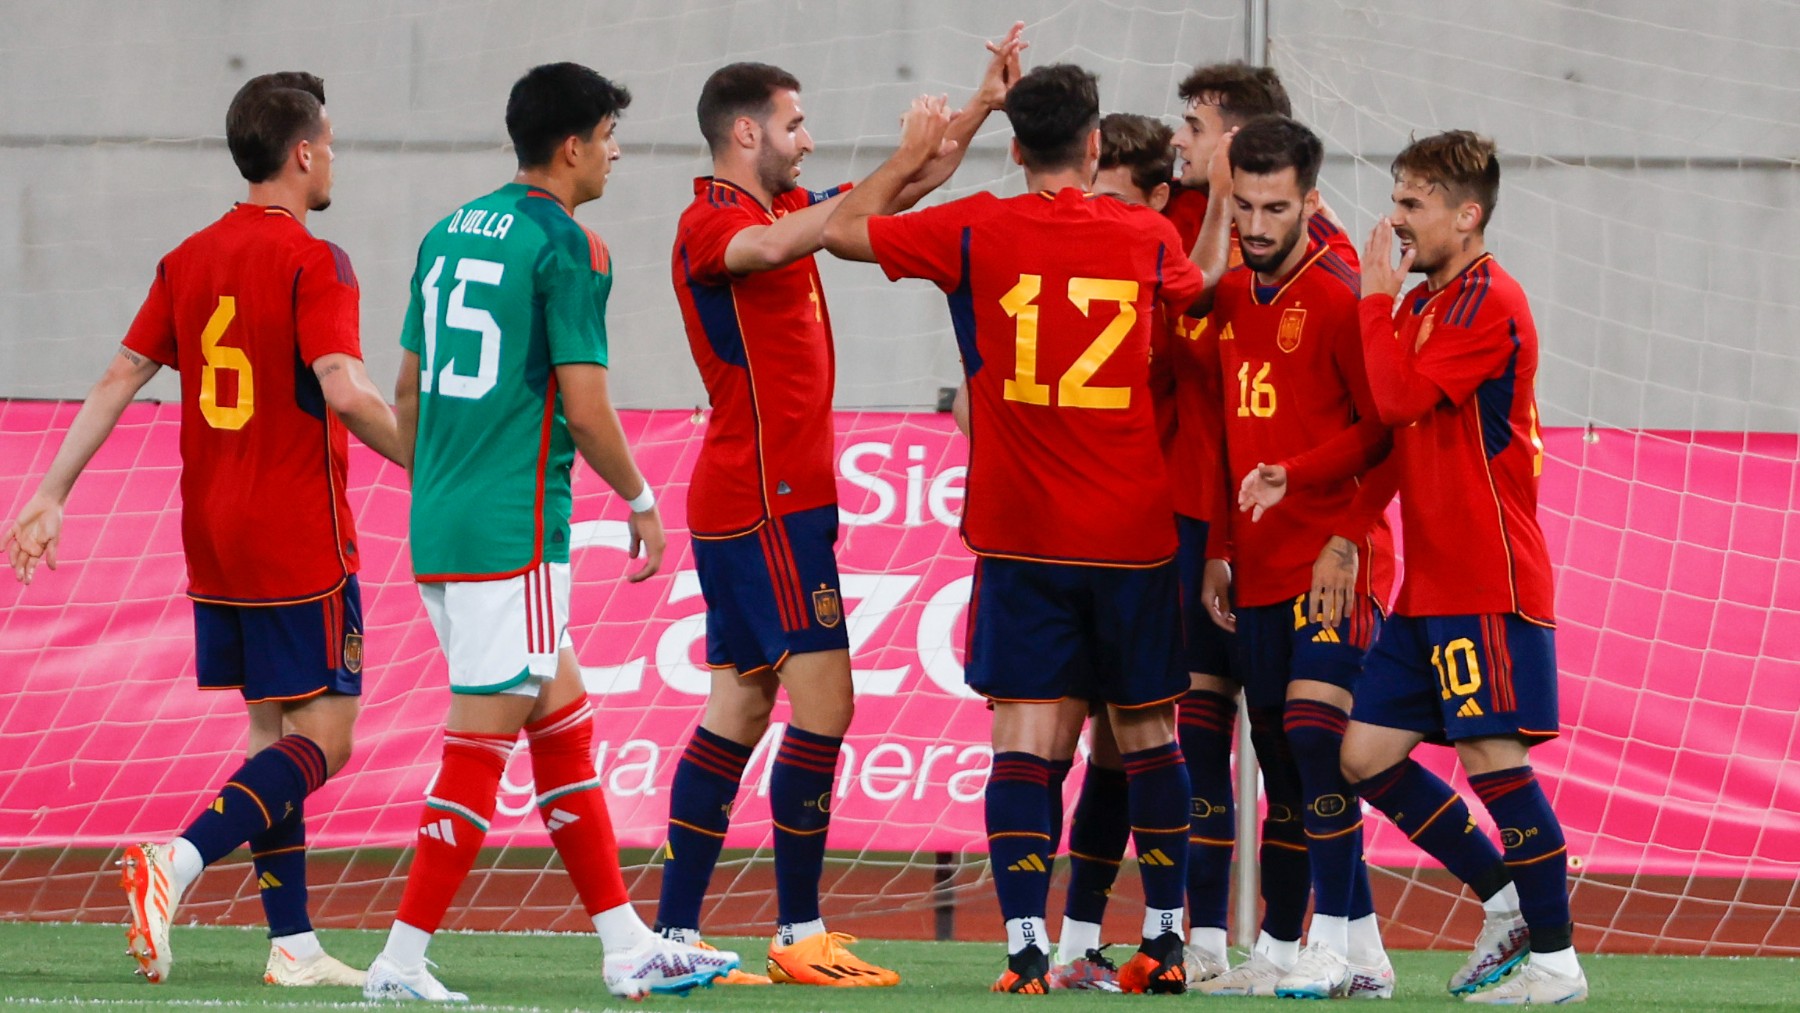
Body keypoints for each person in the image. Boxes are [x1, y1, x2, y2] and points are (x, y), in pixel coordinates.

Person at [824, 62, 1230, 995]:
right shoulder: (1139, 232)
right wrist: (1207, 201)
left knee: (1023, 740)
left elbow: (843, 229)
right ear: (1094, 147)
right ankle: (1167, 939)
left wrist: (931, 143)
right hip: (1132, 531)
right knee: (1148, 733)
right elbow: (1200, 281)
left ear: (1015, 148)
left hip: (1021, 535)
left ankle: (1024, 951)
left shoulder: (972, 225)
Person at [4, 72, 405, 988]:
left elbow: (119, 374)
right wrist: (426, 462)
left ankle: (293, 944)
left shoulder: (188, 256)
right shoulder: (316, 259)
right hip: (297, 534)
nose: (333, 157)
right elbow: (343, 384)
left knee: (274, 740)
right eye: (330, 143)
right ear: (303, 153)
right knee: (328, 739)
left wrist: (51, 490)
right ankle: (175, 862)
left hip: (213, 540)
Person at [654, 25, 1025, 989]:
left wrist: (978, 107)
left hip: (770, 497)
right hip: (766, 500)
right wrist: (903, 156)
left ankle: (673, 937)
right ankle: (800, 929)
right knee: (827, 703)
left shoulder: (770, 199)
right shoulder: (712, 223)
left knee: (738, 703)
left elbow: (893, 196)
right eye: (796, 123)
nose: (808, 141)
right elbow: (786, 240)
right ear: (746, 131)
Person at [361, 62, 737, 1003]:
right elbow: (585, 402)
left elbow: (406, 390)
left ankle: (625, 945)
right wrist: (643, 498)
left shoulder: (447, 230)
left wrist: (448, 476)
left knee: (561, 722)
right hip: (517, 534)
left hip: (442, 520)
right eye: (609, 136)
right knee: (479, 745)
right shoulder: (572, 245)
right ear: (573, 145)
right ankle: (399, 963)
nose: (615, 154)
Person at [1340, 129, 1587, 1004]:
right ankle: (1506, 897)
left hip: (1489, 576)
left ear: (1466, 214)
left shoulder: (1490, 299)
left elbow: (1399, 397)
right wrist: (1347, 527)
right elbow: (1388, 438)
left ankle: (1556, 964)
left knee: (1493, 757)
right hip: (1428, 587)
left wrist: (1371, 298)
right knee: (1364, 756)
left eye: (1413, 203)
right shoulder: (1424, 304)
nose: (1397, 219)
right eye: (1397, 198)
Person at [1197, 114, 1396, 999]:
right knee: (1281, 763)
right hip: (1260, 565)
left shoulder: (1345, 295)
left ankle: (1336, 937)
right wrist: (1216, 549)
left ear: (1311, 201)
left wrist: (1347, 535)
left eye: (1276, 207)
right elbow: (1222, 434)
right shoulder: (1234, 293)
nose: (1258, 225)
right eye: (1244, 205)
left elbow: (1388, 432)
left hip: (1334, 561)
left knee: (1318, 744)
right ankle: (1306, 950)